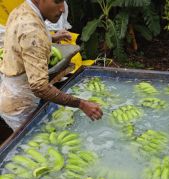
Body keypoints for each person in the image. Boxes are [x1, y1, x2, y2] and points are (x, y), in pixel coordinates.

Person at [0, 0, 103, 131]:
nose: (62, 9)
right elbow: (40, 87)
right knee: (34, 143)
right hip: (20, 104)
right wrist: (81, 104)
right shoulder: (33, 31)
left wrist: (51, 38)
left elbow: (21, 37)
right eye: (57, 2)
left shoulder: (23, 10)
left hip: (12, 91)